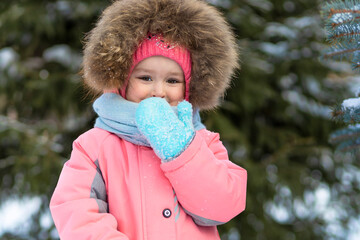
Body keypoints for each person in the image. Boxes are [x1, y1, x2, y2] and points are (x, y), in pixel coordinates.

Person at [49, 0, 247, 239]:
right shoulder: (95, 147)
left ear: (188, 89)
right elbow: (76, 212)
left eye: (172, 81)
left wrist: (182, 150)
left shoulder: (202, 143)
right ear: (123, 80)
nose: (159, 91)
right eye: (145, 78)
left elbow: (221, 207)